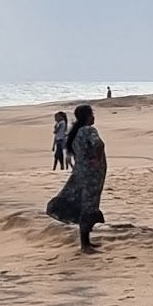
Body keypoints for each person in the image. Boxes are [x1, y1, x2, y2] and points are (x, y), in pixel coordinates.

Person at [45, 104, 106, 252]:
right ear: (87, 116)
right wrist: (96, 159)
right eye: (91, 114)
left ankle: (86, 241)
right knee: (89, 205)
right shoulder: (88, 130)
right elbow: (98, 144)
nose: (93, 117)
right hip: (91, 175)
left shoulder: (76, 132)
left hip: (80, 172)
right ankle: (85, 244)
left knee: (83, 203)